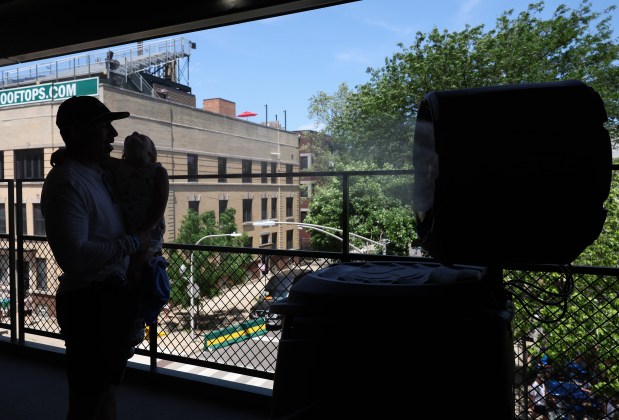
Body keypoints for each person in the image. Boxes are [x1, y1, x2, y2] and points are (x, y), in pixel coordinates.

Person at [41, 95, 150, 420]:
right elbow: (74, 256)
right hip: (90, 303)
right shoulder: (66, 182)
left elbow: (142, 168)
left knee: (106, 392)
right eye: (103, 126)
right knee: (88, 401)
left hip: (111, 297)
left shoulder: (97, 171)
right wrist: (133, 243)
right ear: (74, 132)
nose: (113, 135)